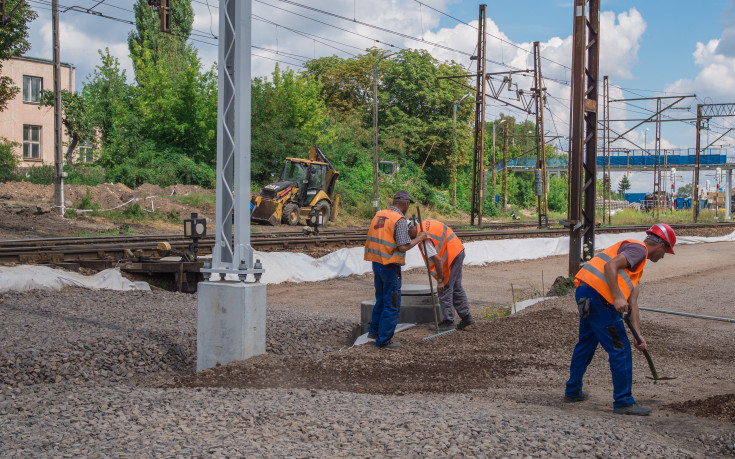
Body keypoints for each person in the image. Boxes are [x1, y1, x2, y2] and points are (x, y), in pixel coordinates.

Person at [565, 223, 677, 416]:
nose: (664, 256)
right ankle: (624, 401)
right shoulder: (638, 250)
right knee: (620, 349)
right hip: (600, 300)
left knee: (586, 343)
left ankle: (573, 391)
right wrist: (617, 298)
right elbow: (610, 266)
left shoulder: (635, 267)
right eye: (666, 251)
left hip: (586, 293)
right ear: (661, 246)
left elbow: (632, 302)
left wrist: (638, 335)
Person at [364, 191, 426, 349]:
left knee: (381, 299)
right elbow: (403, 246)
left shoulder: (380, 214)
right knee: (391, 303)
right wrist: (419, 238)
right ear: (405, 204)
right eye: (408, 205)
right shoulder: (399, 219)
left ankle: (374, 331)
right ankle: (384, 340)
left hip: (376, 262)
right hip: (390, 265)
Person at [408, 218, 475, 332]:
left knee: (444, 288)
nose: (408, 239)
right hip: (457, 250)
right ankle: (466, 317)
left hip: (451, 256)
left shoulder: (425, 240)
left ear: (410, 230)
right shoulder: (425, 224)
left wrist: (440, 280)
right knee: (456, 287)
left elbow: (438, 260)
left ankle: (448, 321)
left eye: (407, 236)